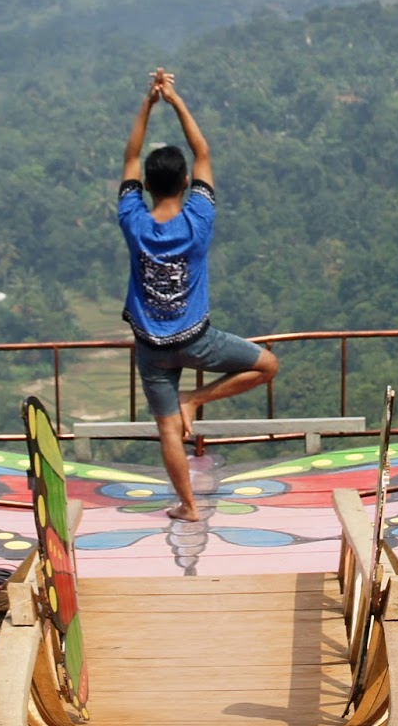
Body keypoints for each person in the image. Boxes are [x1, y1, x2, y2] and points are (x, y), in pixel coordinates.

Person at [118, 68, 279, 522]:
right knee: (267, 365)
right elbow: (203, 150)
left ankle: (188, 506)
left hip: (151, 348)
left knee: (168, 429)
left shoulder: (133, 220)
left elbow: (131, 155)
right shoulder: (198, 220)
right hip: (197, 340)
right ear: (187, 182)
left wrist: (148, 104)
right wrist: (175, 100)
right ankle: (198, 399)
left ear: (145, 187)